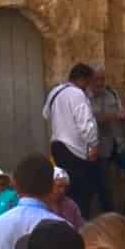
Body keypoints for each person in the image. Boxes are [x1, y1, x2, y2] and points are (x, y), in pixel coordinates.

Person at [44, 63, 104, 219]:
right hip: (74, 148)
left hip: (58, 145)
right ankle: (80, 224)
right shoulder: (77, 94)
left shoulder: (55, 92)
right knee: (81, 191)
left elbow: (46, 114)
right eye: (89, 82)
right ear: (83, 80)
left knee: (67, 190)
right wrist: (93, 145)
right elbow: (85, 122)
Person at [90, 68, 125, 215]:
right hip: (100, 147)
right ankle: (109, 216)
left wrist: (124, 114)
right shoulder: (85, 97)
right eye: (97, 79)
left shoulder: (111, 93)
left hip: (117, 144)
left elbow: (121, 111)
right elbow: (93, 119)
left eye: (103, 79)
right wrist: (114, 116)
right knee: (104, 184)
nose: (101, 82)